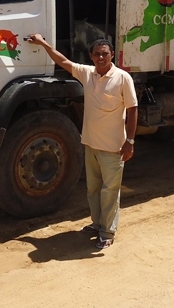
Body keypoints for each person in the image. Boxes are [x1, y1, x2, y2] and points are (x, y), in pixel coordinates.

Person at [26, 34, 138, 250]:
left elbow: (133, 109)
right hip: (91, 145)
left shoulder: (123, 78)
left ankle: (107, 233)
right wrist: (42, 43)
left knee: (110, 192)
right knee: (93, 189)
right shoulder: (88, 74)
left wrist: (130, 141)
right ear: (91, 56)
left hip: (113, 147)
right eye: (97, 54)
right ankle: (97, 224)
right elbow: (63, 61)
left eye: (105, 53)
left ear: (112, 55)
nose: (101, 57)